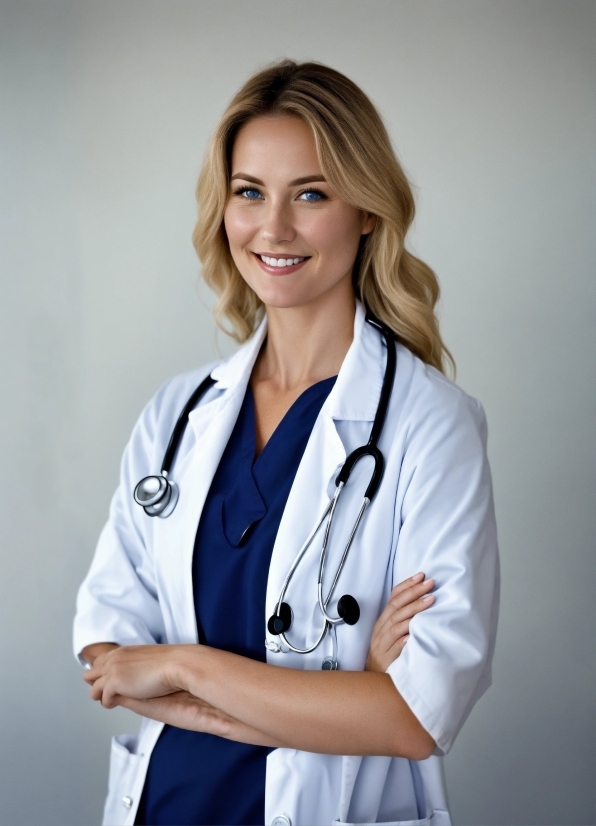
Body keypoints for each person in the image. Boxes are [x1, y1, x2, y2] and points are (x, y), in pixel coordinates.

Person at [74, 60, 500, 826]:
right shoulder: (178, 415)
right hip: (164, 807)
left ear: (367, 210)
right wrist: (342, 701)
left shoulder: (430, 427)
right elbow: (107, 663)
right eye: (249, 193)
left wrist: (180, 668)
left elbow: (412, 719)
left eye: (311, 193)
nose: (273, 229)